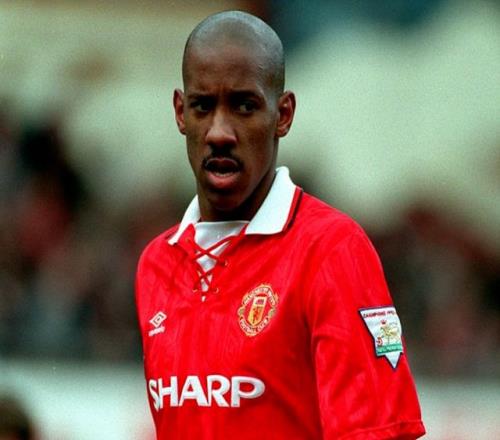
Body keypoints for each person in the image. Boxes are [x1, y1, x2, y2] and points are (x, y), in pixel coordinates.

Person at [135, 10, 426, 440]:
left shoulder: (332, 250)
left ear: (283, 114)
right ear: (181, 113)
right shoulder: (156, 265)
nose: (219, 132)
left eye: (244, 106)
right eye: (203, 106)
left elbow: (378, 433)